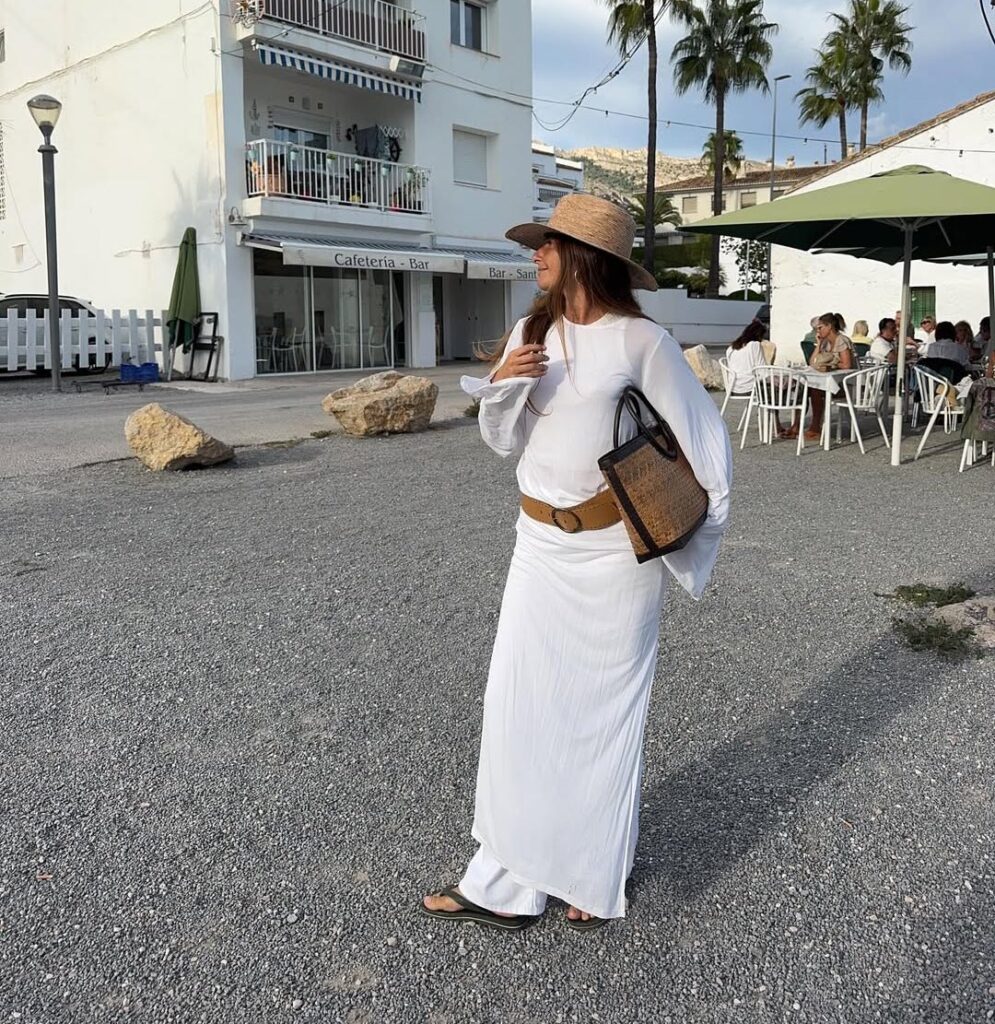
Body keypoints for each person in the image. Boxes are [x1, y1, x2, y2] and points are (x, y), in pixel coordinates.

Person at [421, 194, 732, 931]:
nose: (536, 255)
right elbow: (502, 442)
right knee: (519, 710)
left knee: (599, 720)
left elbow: (706, 446)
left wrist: (686, 548)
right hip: (537, 547)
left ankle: (592, 874)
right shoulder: (531, 331)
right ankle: (503, 883)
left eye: (549, 244)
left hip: (615, 560)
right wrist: (506, 383)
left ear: (584, 257)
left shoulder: (641, 342)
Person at [781, 312, 856, 441]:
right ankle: (797, 426)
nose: (818, 330)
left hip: (845, 384)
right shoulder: (826, 342)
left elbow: (847, 365)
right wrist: (819, 344)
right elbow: (812, 362)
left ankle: (815, 428)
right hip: (833, 382)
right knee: (804, 388)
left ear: (829, 326)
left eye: (820, 327)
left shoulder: (842, 340)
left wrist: (831, 365)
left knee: (816, 390)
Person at [725, 318, 768, 395]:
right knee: (783, 387)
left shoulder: (731, 348)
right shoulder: (754, 345)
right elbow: (763, 371)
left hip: (733, 388)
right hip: (749, 388)